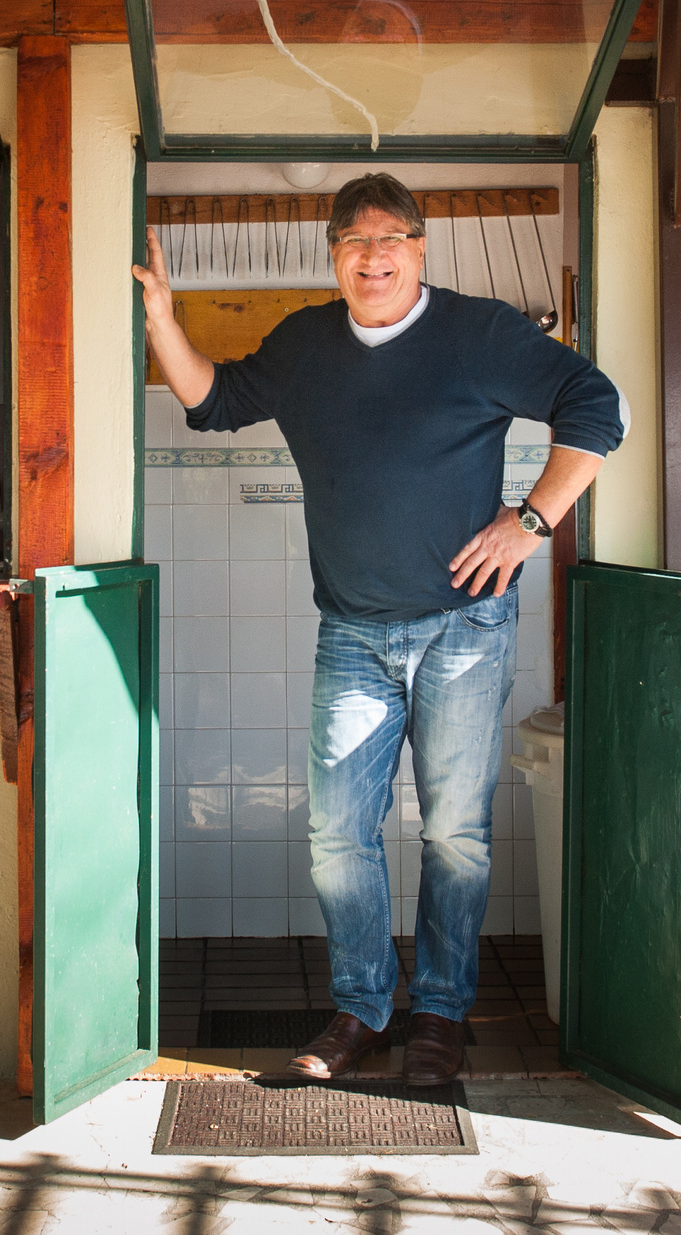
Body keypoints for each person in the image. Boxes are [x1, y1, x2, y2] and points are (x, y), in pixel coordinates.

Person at [131, 172, 624, 1086]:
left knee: (455, 835)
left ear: (420, 247)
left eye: (392, 236)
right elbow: (214, 402)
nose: (374, 255)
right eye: (355, 239)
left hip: (465, 631)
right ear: (333, 254)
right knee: (337, 833)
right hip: (352, 634)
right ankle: (361, 1006)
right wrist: (163, 315)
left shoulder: (478, 333)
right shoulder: (307, 344)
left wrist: (531, 521)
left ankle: (438, 1012)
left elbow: (597, 406)